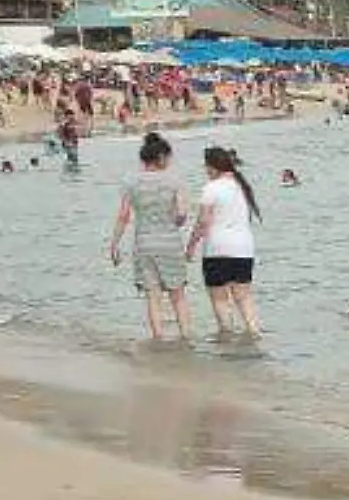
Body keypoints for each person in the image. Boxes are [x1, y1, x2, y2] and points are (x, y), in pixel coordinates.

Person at [109, 132, 193, 343]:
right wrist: (174, 220)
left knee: (153, 296)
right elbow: (182, 214)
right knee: (178, 295)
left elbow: (123, 215)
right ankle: (185, 338)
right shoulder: (175, 180)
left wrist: (114, 244)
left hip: (144, 243)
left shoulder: (130, 181)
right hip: (170, 243)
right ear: (162, 158)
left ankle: (158, 339)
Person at [184, 147, 262, 337]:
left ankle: (226, 335)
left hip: (217, 249)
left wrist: (191, 246)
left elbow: (203, 222)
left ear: (213, 167)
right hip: (244, 249)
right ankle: (254, 333)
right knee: (243, 296)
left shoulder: (211, 188)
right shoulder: (242, 186)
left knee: (220, 298)